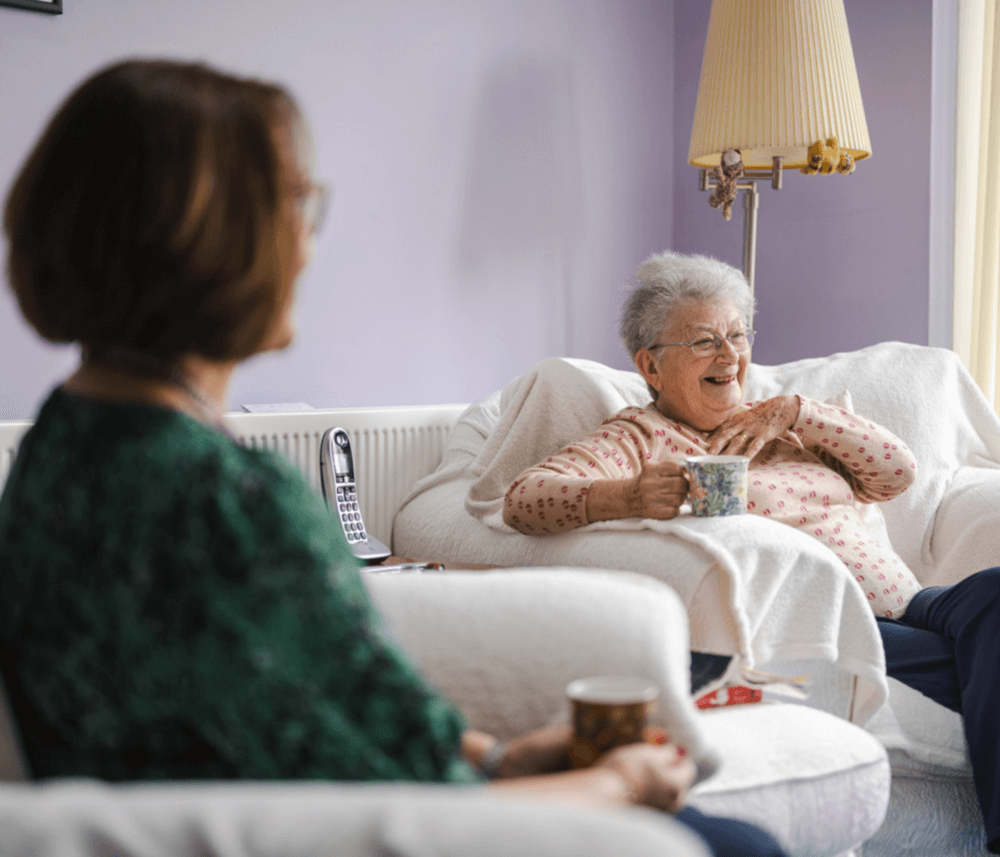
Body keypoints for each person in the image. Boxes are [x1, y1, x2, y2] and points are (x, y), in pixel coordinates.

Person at [0, 60, 789, 857]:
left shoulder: (57, 450)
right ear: (207, 240)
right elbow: (413, 809)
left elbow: (305, 705)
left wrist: (502, 754)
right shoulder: (227, 498)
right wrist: (615, 784)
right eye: (297, 204)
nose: (307, 243)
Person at [504, 249, 1000, 853]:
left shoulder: (784, 424)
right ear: (651, 365)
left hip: (915, 604)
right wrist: (627, 494)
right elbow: (525, 499)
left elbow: (896, 473)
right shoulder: (641, 436)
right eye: (705, 341)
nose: (730, 354)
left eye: (737, 335)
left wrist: (797, 412)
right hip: (835, 623)